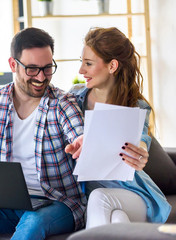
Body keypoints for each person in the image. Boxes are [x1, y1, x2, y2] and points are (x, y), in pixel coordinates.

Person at [0, 27, 87, 239]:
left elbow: (78, 132)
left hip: (57, 204)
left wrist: (83, 141)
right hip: (5, 205)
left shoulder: (63, 103)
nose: (41, 77)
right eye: (32, 69)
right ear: (13, 65)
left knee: (33, 222)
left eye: (47, 68)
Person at [66, 27, 171, 229]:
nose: (81, 70)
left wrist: (140, 156)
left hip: (133, 195)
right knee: (117, 220)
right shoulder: (74, 99)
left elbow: (141, 141)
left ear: (112, 65)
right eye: (82, 62)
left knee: (100, 199)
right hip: (88, 196)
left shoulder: (136, 106)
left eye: (88, 63)